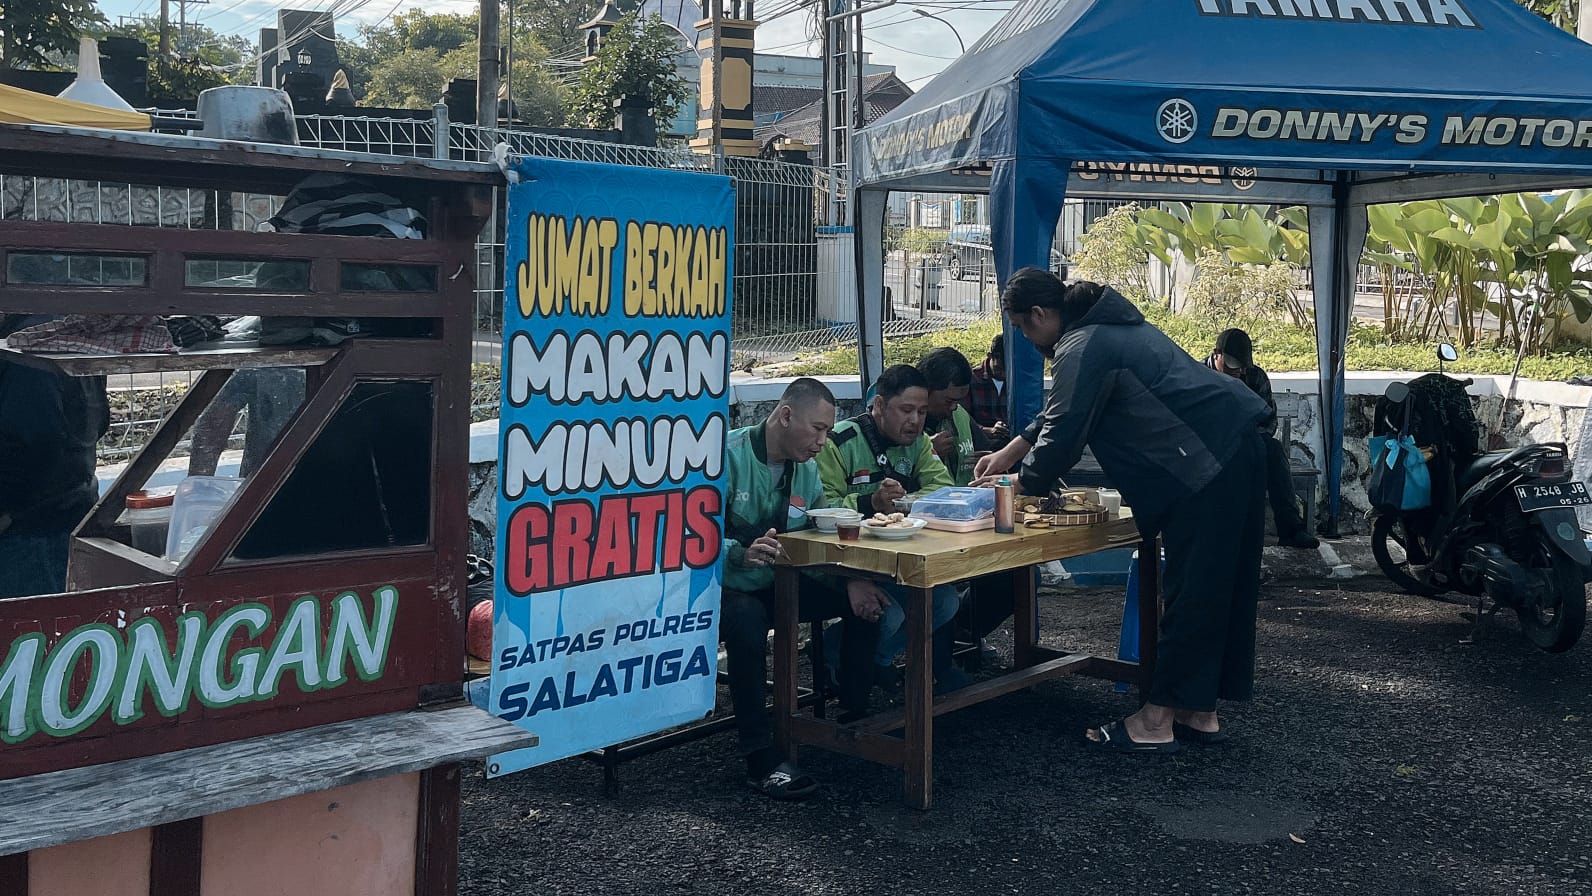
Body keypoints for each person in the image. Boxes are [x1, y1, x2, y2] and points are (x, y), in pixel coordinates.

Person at [974, 272, 1269, 752]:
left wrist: (1022, 484)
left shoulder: (1082, 344)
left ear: (1041, 316)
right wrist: (1010, 452)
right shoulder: (1109, 329)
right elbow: (1062, 406)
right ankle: (1199, 710)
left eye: (1025, 331)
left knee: (1195, 591)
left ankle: (1156, 721)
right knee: (1222, 588)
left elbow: (1064, 431)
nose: (1029, 343)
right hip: (1240, 449)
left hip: (1205, 464)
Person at [720, 378, 885, 800]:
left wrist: (852, 578)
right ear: (786, 415)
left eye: (828, 431)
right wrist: (737, 552)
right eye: (818, 429)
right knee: (745, 621)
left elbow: (816, 531)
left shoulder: (806, 468)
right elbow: (683, 531)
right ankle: (760, 757)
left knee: (866, 599)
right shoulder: (724, 455)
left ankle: (852, 722)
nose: (822, 442)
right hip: (726, 585)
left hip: (782, 580)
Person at [816, 364, 968, 693]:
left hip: (898, 557)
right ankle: (829, 654)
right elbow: (824, 505)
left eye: (923, 411)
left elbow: (942, 488)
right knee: (893, 614)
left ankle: (877, 660)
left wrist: (901, 504)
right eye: (906, 410)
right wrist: (870, 502)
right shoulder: (838, 442)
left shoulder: (919, 443)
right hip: (843, 564)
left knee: (945, 601)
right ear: (880, 406)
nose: (915, 420)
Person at [0, 314, 111, 598]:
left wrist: (6, 513)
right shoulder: (62, 328)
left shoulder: (22, 346)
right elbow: (100, 422)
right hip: (70, 510)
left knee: (31, 632)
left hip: (30, 530)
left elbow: (38, 439)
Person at [1206, 328, 1320, 550]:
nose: (1238, 371)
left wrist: (1247, 436)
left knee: (1274, 451)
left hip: (1248, 441)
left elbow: (1269, 421)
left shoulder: (1255, 377)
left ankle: (1291, 529)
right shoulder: (1198, 375)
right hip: (1210, 446)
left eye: (1242, 365)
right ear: (1216, 355)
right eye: (1232, 365)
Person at [919, 347, 993, 487]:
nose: (954, 407)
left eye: (959, 401)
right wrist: (928, 454)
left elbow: (985, 450)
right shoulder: (905, 425)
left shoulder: (961, 416)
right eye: (949, 401)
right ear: (926, 389)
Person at [962, 333, 1010, 442]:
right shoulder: (972, 379)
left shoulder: (1017, 379)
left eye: (1007, 370)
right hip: (980, 441)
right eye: (999, 369)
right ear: (990, 356)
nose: (1003, 375)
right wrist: (987, 431)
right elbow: (963, 418)